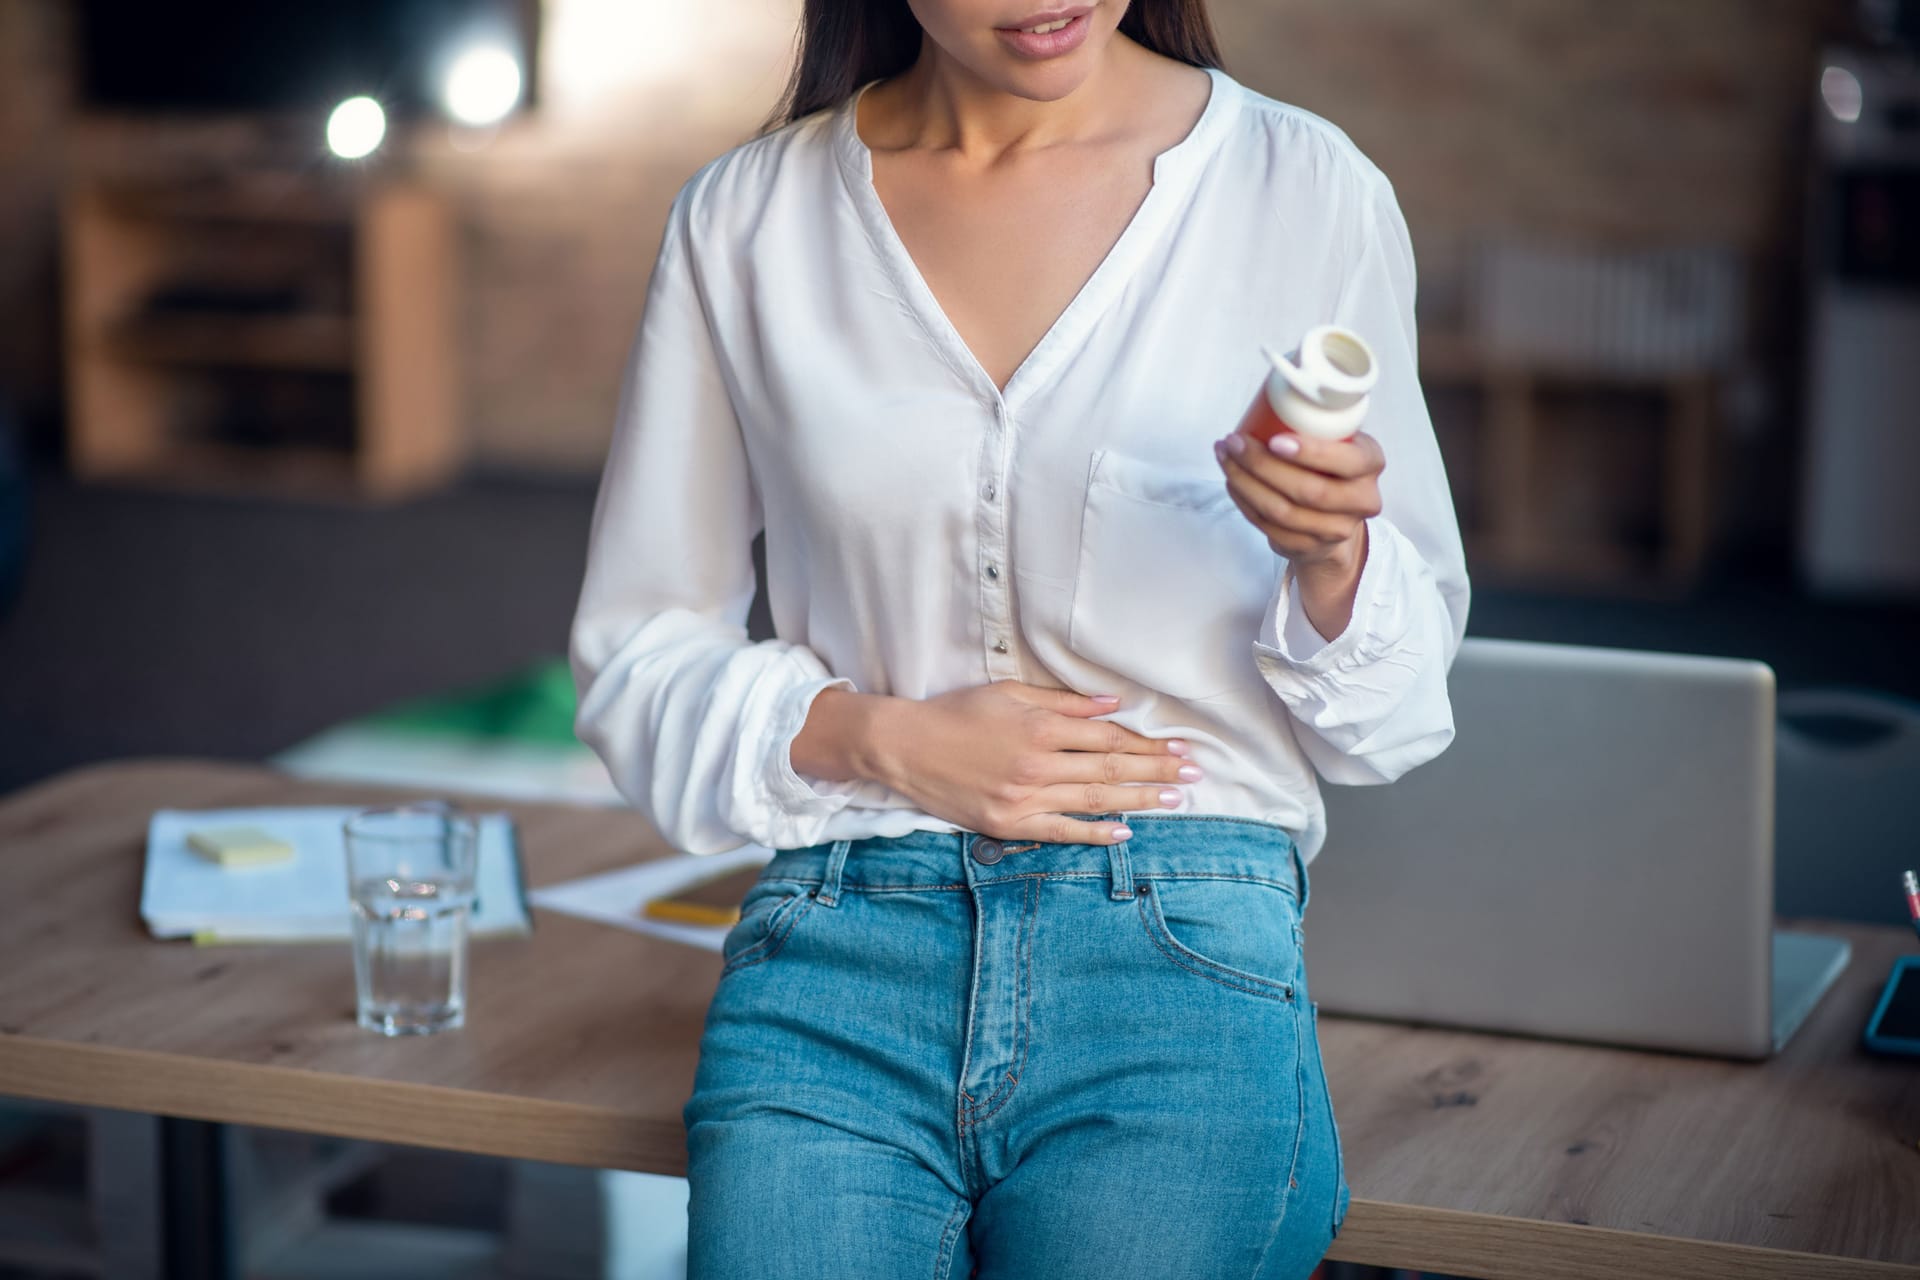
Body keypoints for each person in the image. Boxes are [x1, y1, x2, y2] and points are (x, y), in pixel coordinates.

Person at [569, 1, 1470, 1275]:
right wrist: (877, 735)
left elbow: (1399, 710)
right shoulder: (748, 218)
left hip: (1176, 951)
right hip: (838, 946)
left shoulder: (1304, 186)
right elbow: (636, 651)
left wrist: (1334, 553)